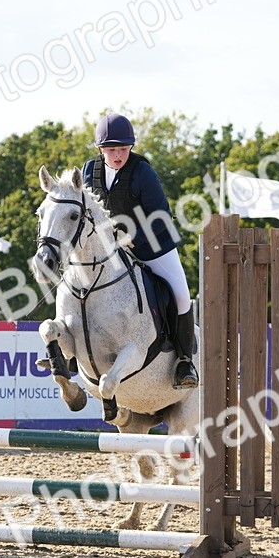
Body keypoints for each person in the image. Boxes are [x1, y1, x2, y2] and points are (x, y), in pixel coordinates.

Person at [81, 112, 197, 389]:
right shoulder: (88, 171)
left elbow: (161, 215)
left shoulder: (142, 172)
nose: (118, 155)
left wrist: (133, 238)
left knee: (181, 295)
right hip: (110, 251)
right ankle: (76, 352)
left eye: (123, 149)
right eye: (112, 150)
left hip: (153, 245)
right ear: (100, 149)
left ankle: (184, 361)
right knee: (80, 284)